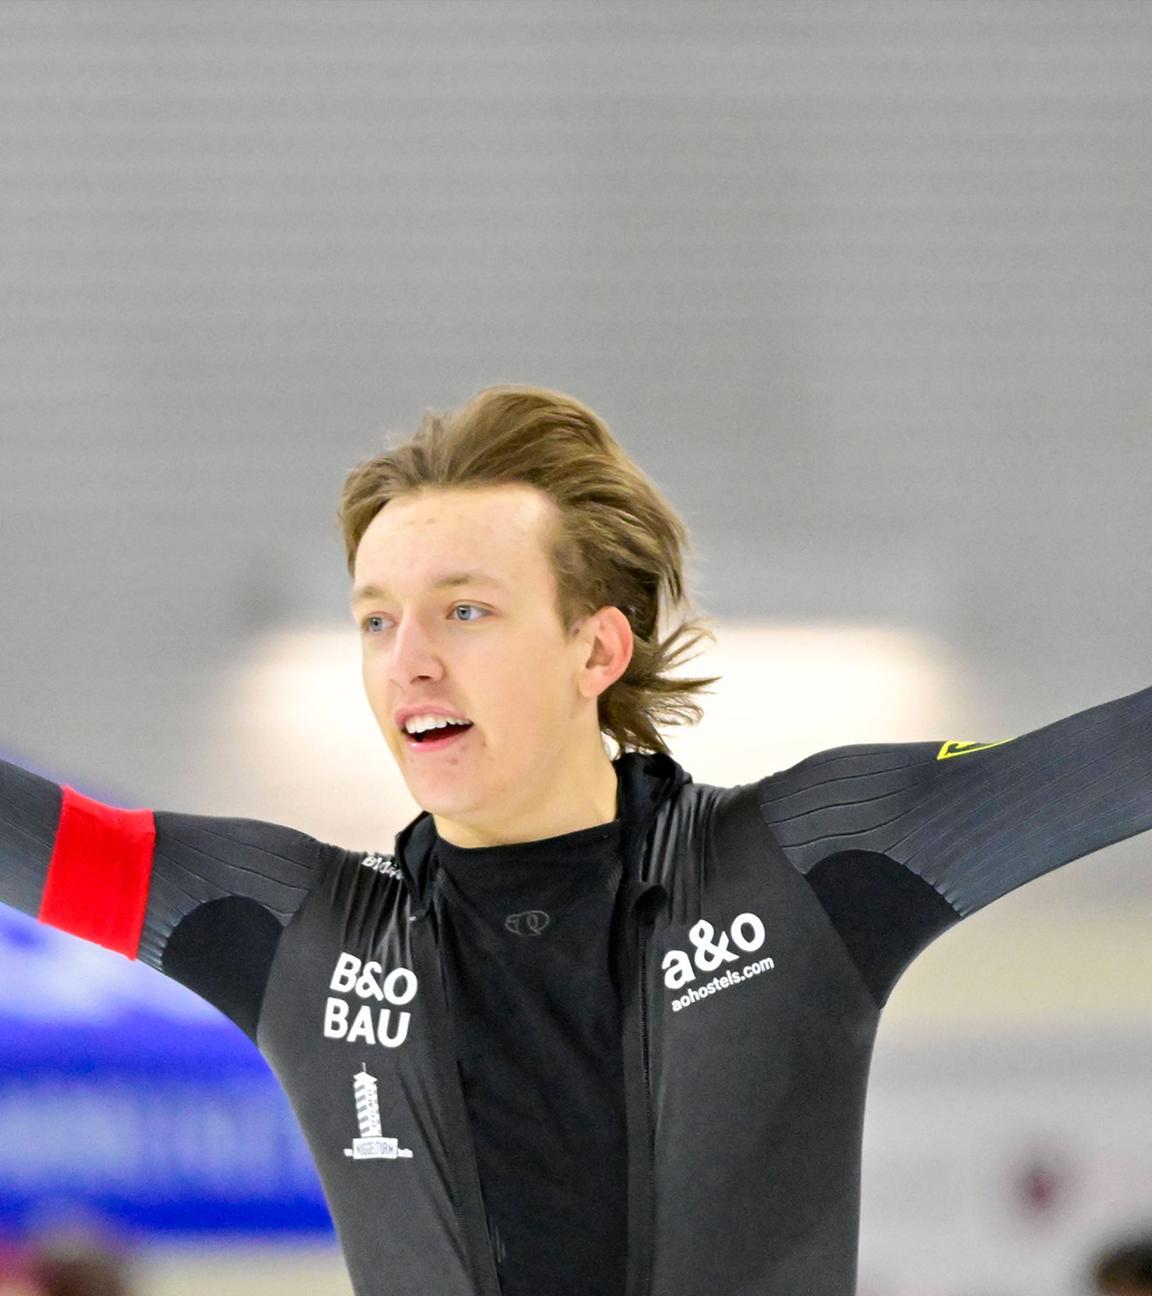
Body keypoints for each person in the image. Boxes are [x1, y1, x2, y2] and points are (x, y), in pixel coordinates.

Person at [1, 382, 1151, 1296]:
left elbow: (1113, 762)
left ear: (597, 651)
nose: (409, 660)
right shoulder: (285, 923)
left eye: (465, 609)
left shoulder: (806, 861)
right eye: (375, 619)